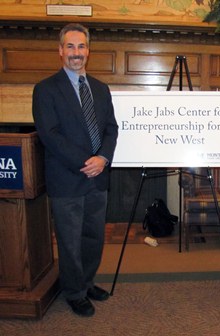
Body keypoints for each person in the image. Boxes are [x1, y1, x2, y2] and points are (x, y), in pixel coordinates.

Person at [32, 23, 119, 317]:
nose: (76, 53)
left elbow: (111, 128)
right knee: (69, 241)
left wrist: (103, 158)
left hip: (98, 178)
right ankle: (73, 292)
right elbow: (50, 134)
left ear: (88, 51)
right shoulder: (45, 89)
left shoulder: (101, 88)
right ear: (60, 51)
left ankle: (87, 282)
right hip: (68, 178)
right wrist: (87, 163)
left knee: (94, 237)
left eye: (81, 47)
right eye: (70, 46)